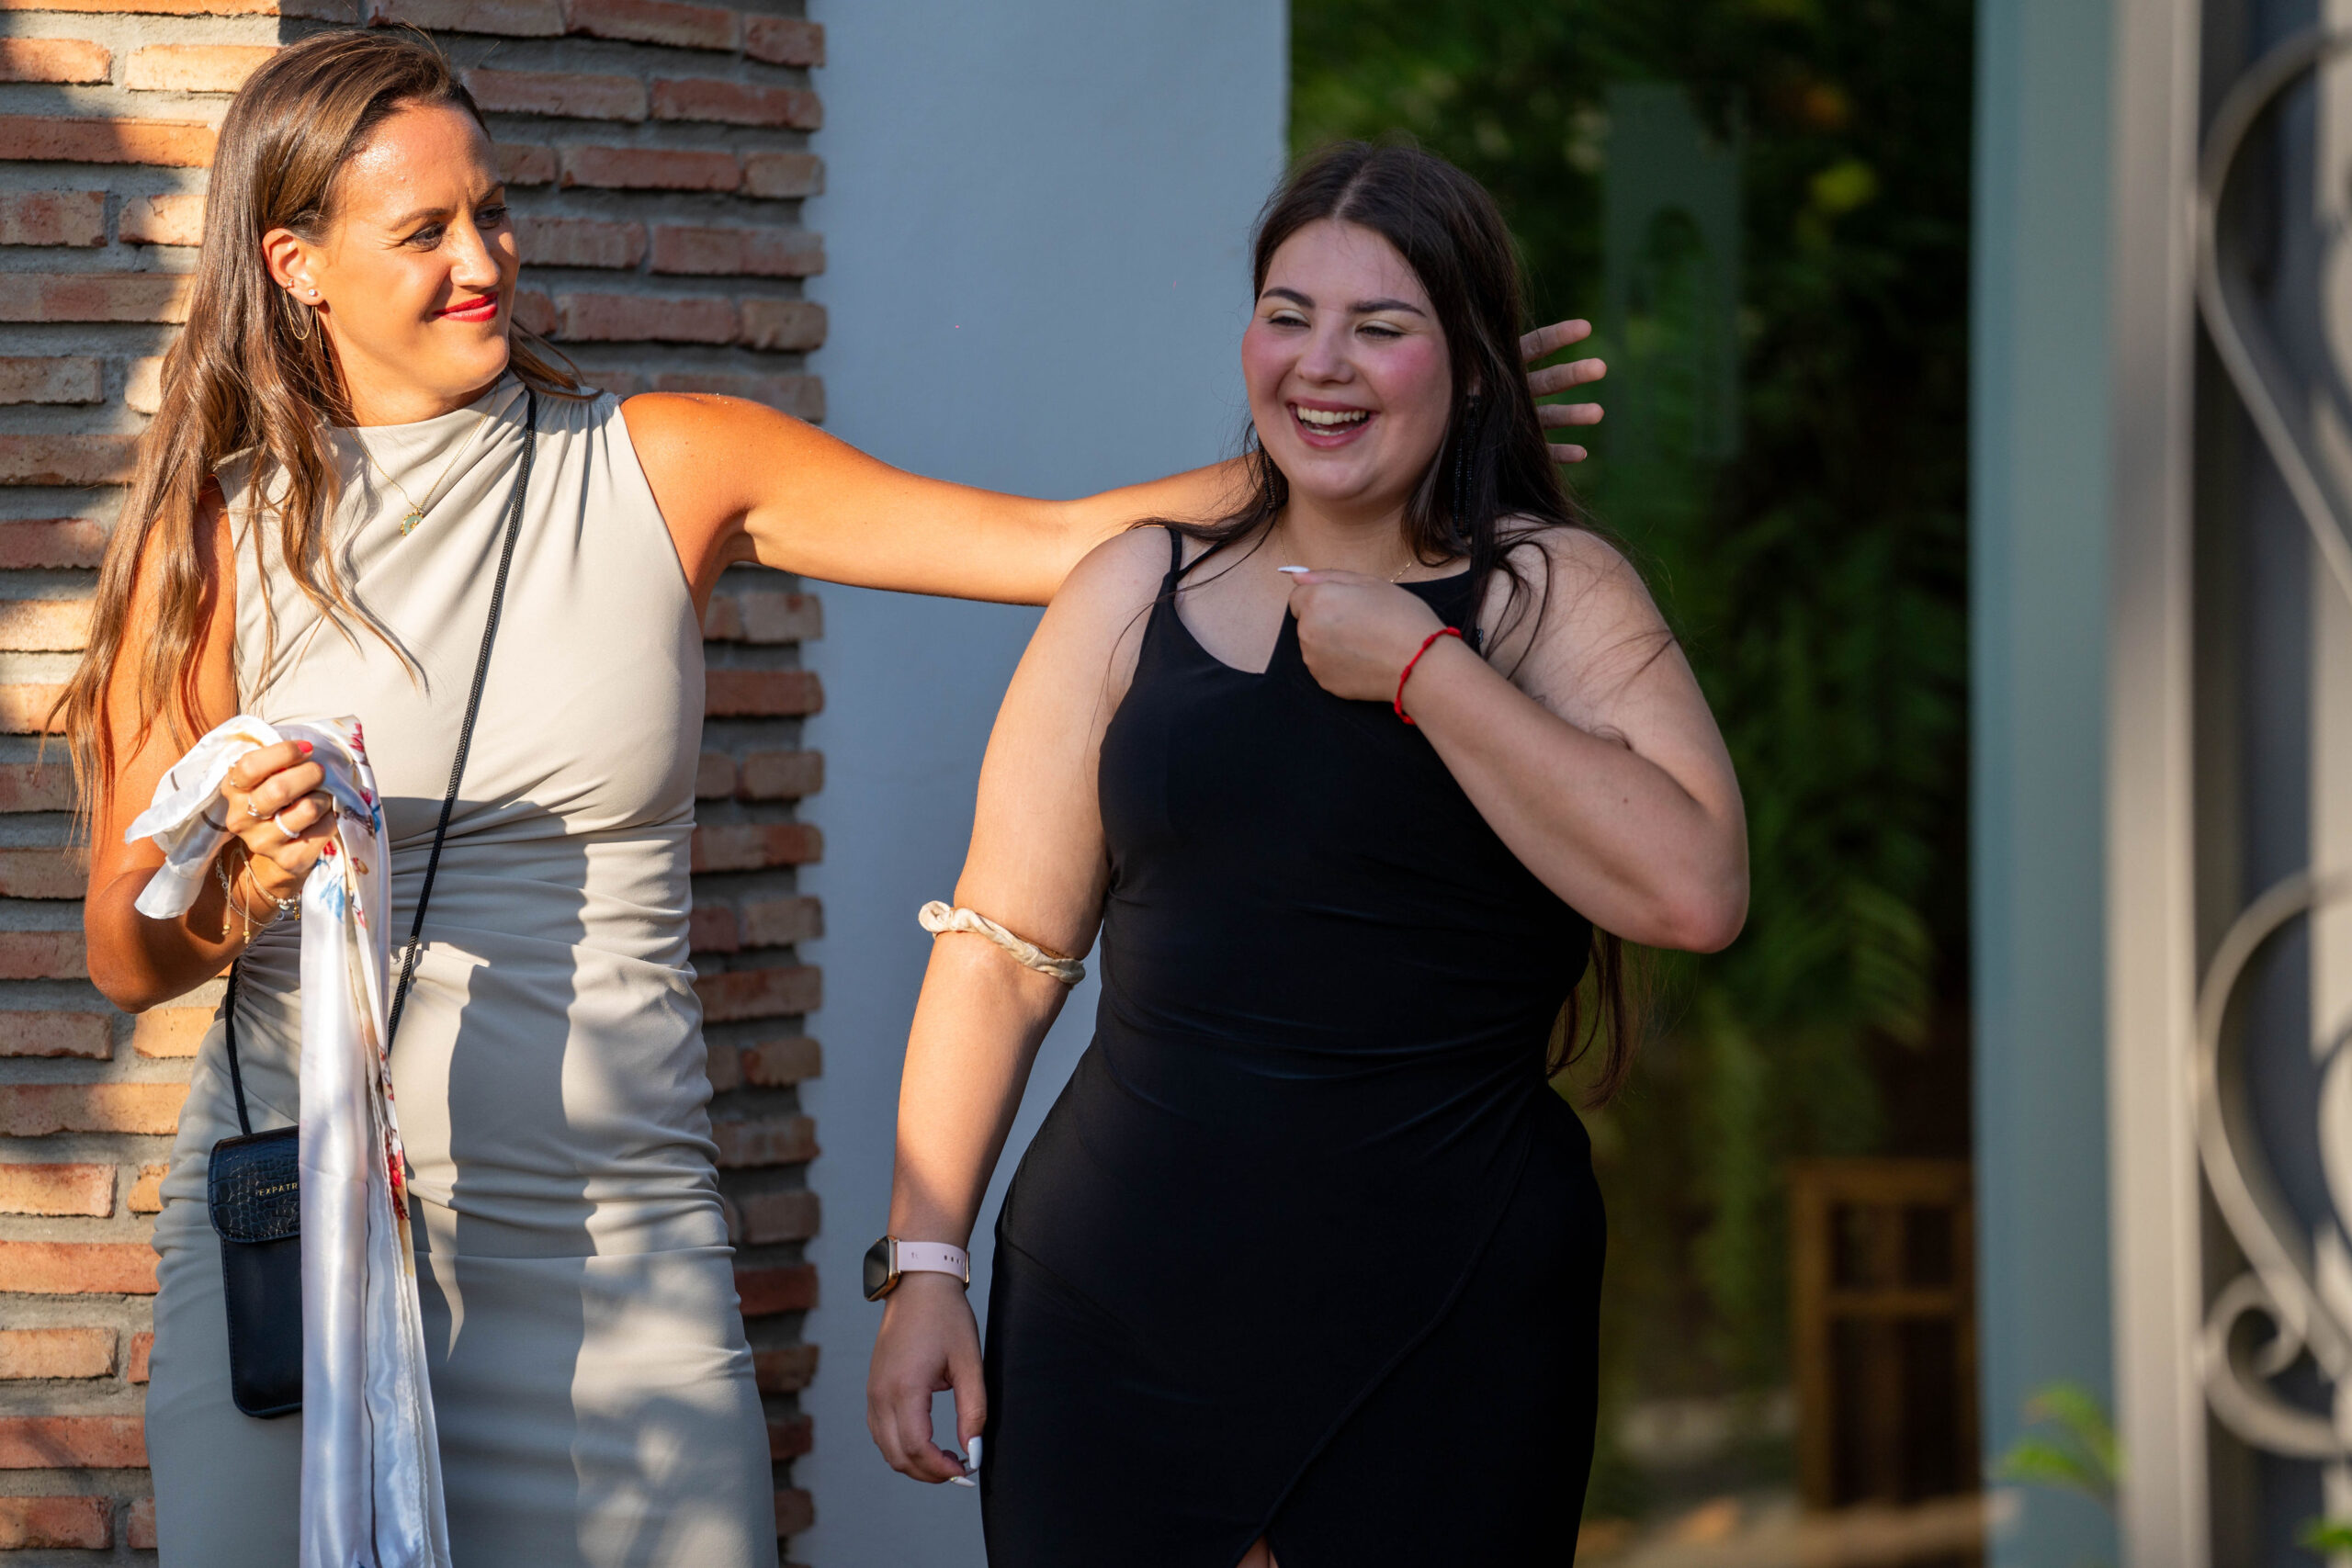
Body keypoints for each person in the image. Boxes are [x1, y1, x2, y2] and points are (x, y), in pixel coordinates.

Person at [60, 32, 1607, 1568]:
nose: (484, 260)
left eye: (495, 211)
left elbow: (1047, 541)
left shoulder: (665, 464)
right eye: (425, 231)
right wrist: (238, 891)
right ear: (298, 265)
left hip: (618, 1267)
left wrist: (1385, 440)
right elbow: (126, 956)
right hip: (309, 1244)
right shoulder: (212, 542)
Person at [864, 141, 1747, 1566]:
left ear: (1474, 369)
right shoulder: (1134, 586)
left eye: (1379, 328)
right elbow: (1001, 956)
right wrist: (923, 1266)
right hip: (1113, 1308)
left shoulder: (1546, 591)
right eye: (1289, 315)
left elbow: (1695, 891)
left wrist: (1425, 671)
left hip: (1450, 1316)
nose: (1320, 363)